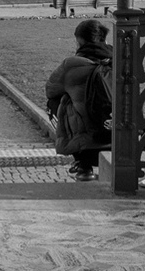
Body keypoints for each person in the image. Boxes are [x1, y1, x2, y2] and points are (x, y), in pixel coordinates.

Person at [44, 19, 113, 182]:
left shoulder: (72, 64)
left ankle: (83, 164)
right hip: (120, 136)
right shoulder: (121, 60)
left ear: (80, 41)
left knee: (54, 103)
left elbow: (50, 90)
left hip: (87, 145)